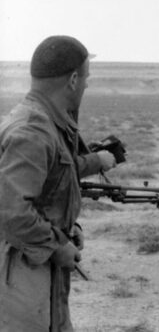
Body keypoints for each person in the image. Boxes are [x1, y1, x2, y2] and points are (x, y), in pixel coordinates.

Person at [0, 35, 117, 331]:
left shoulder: (47, 124)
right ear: (74, 79)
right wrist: (55, 246)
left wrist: (67, 229)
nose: (87, 85)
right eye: (87, 76)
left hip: (35, 258)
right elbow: (12, 211)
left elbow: (47, 188)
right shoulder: (32, 130)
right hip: (22, 267)